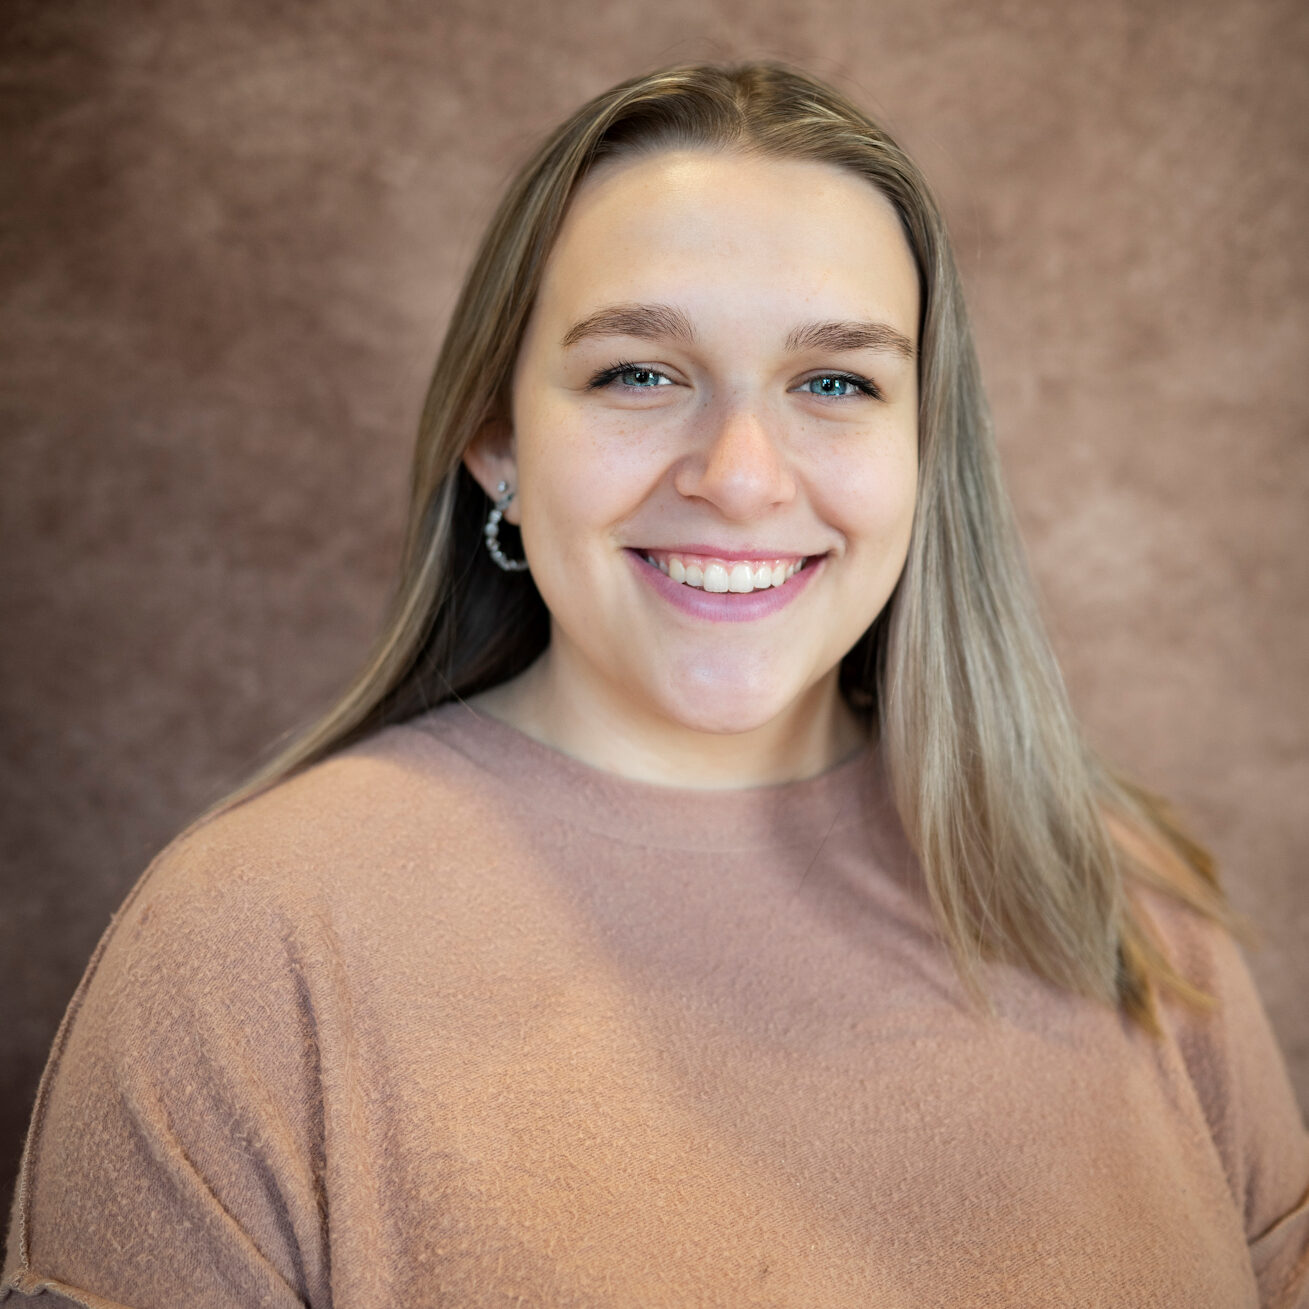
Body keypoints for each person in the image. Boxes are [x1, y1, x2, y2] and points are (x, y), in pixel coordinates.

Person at [3, 61, 1306, 1309]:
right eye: (638, 370)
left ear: (923, 456)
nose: (740, 475)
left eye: (835, 380)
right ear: (498, 442)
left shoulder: (1122, 901)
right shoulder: (245, 948)